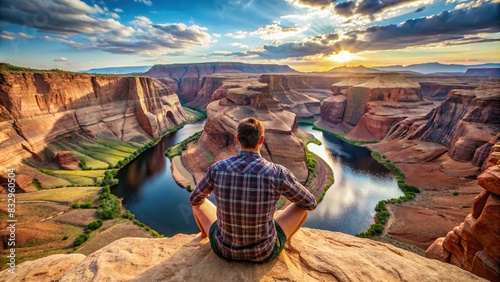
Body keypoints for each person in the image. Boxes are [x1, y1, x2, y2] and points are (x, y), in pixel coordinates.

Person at [190, 117, 317, 262]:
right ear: (261, 140)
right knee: (303, 207)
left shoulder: (217, 168)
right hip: (263, 253)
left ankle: (204, 237)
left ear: (237, 138)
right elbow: (310, 202)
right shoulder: (277, 173)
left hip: (223, 249)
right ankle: (283, 243)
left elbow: (194, 198)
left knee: (198, 202)